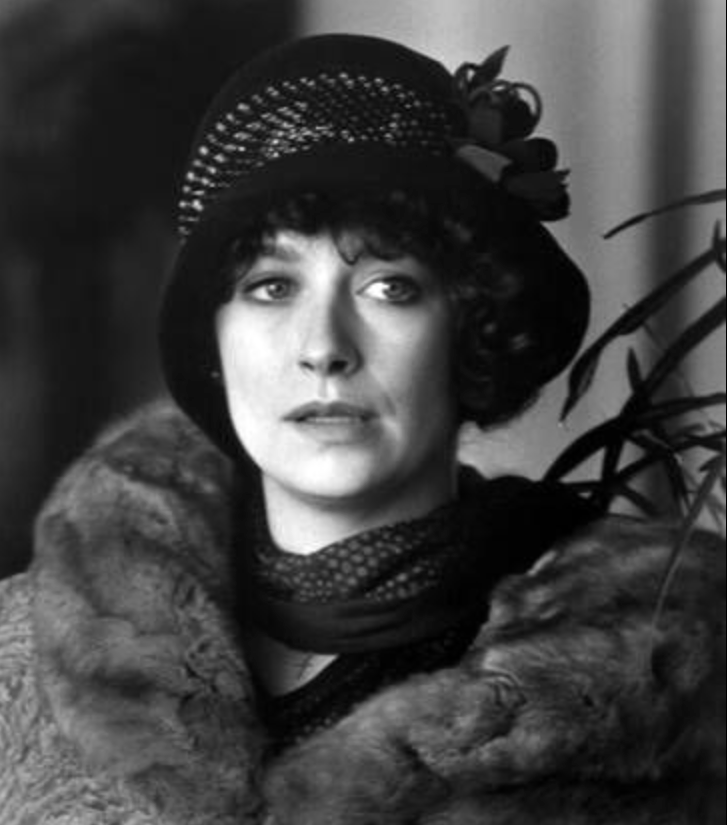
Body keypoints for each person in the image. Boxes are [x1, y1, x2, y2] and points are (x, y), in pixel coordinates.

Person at [0, 34, 723, 825]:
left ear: (473, 328)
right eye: (271, 286)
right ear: (212, 341)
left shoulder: (659, 679)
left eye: (389, 287)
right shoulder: (25, 658)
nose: (323, 347)